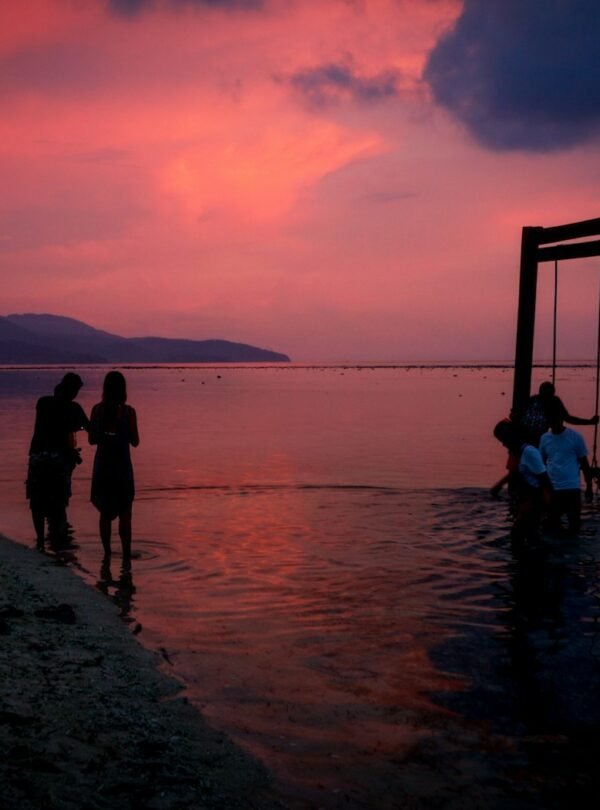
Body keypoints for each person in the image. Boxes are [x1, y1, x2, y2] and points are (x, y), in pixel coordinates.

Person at [491, 381, 598, 496]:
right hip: (529, 440)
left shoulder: (535, 400)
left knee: (522, 469)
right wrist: (589, 422)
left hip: (525, 439)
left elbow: (517, 416)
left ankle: (506, 490)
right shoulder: (550, 401)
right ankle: (507, 489)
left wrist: (589, 422)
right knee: (526, 469)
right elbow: (568, 418)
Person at [26, 372, 89, 546]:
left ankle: (40, 540)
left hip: (38, 456)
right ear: (74, 391)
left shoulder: (42, 403)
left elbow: (52, 424)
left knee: (37, 501)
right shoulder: (73, 408)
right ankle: (59, 545)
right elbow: (87, 427)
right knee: (59, 502)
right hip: (58, 460)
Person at [89, 371, 139, 560]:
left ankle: (107, 554)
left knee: (104, 512)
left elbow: (92, 439)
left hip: (103, 466)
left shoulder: (96, 410)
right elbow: (135, 441)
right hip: (122, 466)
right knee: (126, 512)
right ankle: (126, 555)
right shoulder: (128, 412)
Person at [539, 403, 593, 534]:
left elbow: (585, 464)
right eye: (551, 420)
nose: (554, 423)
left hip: (572, 488)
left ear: (562, 419)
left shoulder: (575, 437)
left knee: (574, 526)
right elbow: (541, 464)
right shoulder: (545, 438)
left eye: (556, 419)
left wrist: (589, 488)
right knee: (551, 527)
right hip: (553, 489)